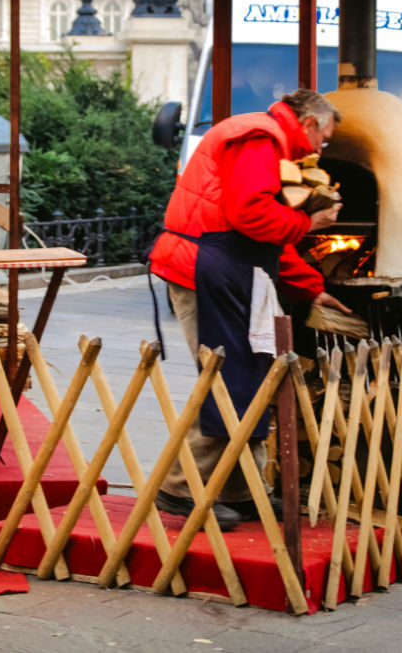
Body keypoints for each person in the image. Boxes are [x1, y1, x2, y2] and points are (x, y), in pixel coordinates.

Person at [148, 88, 353, 528]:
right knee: (226, 379)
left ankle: (240, 490)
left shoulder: (270, 143)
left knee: (251, 376)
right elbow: (252, 215)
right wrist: (306, 222)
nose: (322, 148)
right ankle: (179, 488)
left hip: (225, 268)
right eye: (326, 137)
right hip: (205, 267)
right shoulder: (260, 138)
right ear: (311, 122)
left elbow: (265, 237)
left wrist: (310, 289)